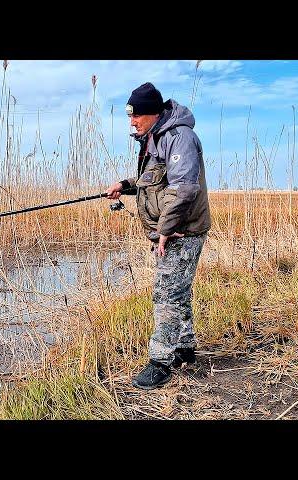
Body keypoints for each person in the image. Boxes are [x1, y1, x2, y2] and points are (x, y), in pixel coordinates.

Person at [106, 82, 211, 390]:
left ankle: (160, 363)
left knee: (166, 293)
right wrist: (125, 185)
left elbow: (184, 187)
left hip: (182, 230)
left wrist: (164, 230)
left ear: (154, 113)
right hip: (174, 229)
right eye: (130, 117)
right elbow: (152, 179)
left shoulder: (180, 138)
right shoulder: (156, 137)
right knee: (178, 291)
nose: (132, 122)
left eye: (137, 116)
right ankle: (184, 348)